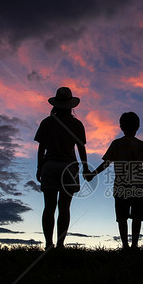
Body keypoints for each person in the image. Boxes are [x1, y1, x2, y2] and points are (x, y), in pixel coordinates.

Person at [86, 112, 143, 250]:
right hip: (139, 185)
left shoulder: (116, 144)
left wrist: (93, 174)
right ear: (137, 127)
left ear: (121, 126)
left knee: (122, 217)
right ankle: (134, 245)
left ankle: (126, 245)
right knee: (137, 216)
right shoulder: (140, 144)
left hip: (121, 185)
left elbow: (106, 163)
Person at [34, 87, 90, 250]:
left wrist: (39, 167)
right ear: (71, 105)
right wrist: (85, 167)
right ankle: (60, 244)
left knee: (49, 207)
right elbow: (81, 148)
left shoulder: (47, 122)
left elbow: (41, 148)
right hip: (69, 167)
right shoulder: (77, 124)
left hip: (50, 166)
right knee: (64, 207)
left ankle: (49, 244)